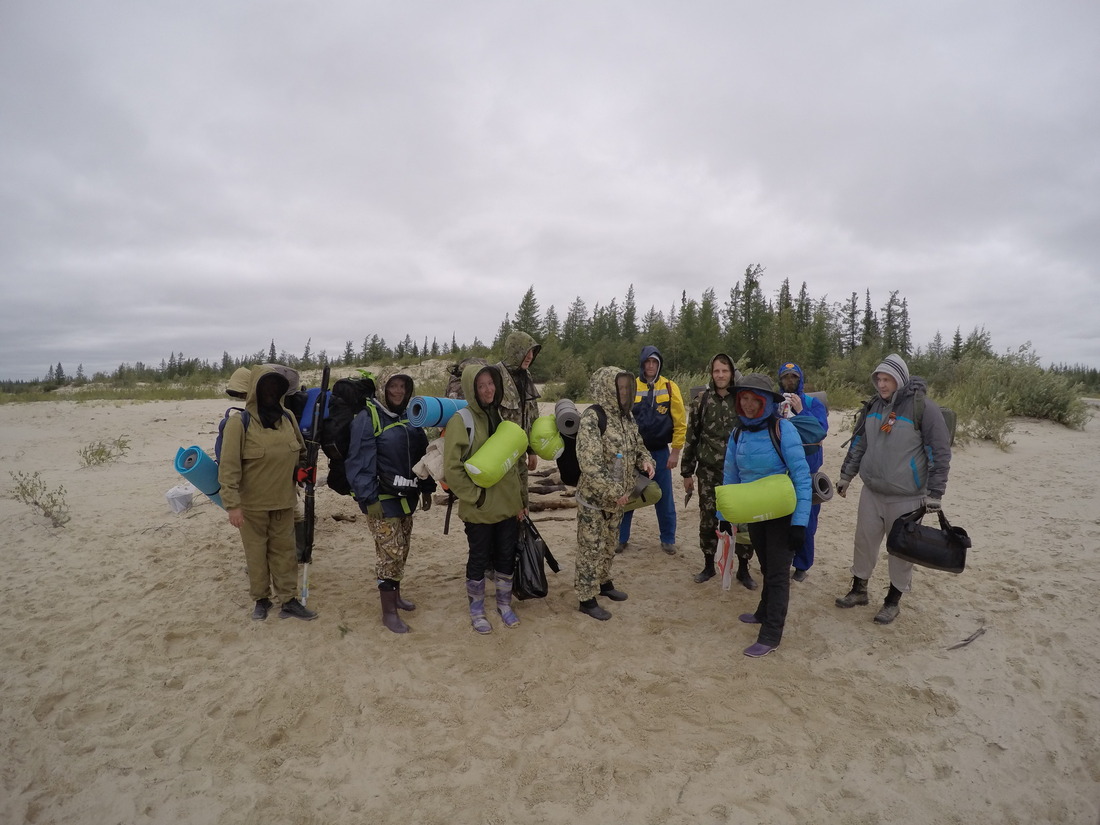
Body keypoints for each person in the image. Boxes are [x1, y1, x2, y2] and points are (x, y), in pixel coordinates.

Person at [834, 354, 952, 624]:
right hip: (872, 492)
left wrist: (936, 494)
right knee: (863, 543)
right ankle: (859, 590)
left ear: (900, 379)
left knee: (901, 551)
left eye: (887, 379)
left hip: (907, 497)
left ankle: (892, 601)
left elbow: (940, 453)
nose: (882, 384)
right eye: (879, 379)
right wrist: (846, 476)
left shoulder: (924, 409)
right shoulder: (873, 406)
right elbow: (858, 444)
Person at [719, 373, 812, 657]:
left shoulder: (783, 429)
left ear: (765, 401)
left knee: (778, 574)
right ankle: (763, 611)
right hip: (755, 511)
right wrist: (724, 515)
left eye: (753, 399)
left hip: (783, 513)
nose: (747, 405)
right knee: (767, 565)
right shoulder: (738, 433)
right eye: (743, 399)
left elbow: (802, 477)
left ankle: (771, 634)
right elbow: (730, 475)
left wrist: (800, 523)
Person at [217, 364, 317, 621]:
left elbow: (302, 453)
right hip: (252, 507)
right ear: (255, 390)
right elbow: (228, 469)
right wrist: (232, 506)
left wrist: (303, 471)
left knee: (285, 553)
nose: (271, 392)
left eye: (276, 387)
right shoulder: (238, 423)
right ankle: (261, 599)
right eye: (266, 387)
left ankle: (289, 600)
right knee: (256, 554)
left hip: (284, 502)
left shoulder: (287, 418)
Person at [345, 371, 436, 634]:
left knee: (402, 548)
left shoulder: (410, 417)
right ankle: (389, 613)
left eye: (403, 386)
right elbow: (358, 461)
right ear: (383, 388)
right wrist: (368, 498)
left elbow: (423, 455)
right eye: (393, 386)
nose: (398, 391)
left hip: (407, 496)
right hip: (381, 499)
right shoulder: (368, 417)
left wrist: (427, 488)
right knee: (389, 554)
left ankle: (396, 597)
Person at [443, 364, 528, 635]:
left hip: (507, 505)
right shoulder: (462, 420)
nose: (488, 390)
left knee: (505, 556)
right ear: (472, 389)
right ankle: (477, 608)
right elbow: (452, 468)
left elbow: (516, 463)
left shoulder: (503, 420)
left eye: (491, 384)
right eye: (481, 385)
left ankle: (504, 603)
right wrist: (476, 496)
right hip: (479, 508)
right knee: (479, 558)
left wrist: (521, 501)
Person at [575, 366, 655, 620]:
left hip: (619, 498)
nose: (623, 392)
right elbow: (589, 463)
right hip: (595, 500)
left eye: (625, 388)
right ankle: (586, 597)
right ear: (606, 388)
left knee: (610, 542)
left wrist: (646, 460)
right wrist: (611, 491)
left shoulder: (626, 416)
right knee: (591, 547)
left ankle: (604, 582)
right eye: (618, 388)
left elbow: (638, 445)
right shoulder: (592, 417)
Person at [681, 353, 758, 588]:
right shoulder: (701, 401)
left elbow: (755, 434)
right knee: (708, 520)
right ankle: (708, 565)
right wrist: (687, 472)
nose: (721, 375)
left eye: (725, 371)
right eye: (716, 371)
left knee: (744, 521)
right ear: (711, 374)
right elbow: (691, 437)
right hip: (709, 473)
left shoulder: (743, 400)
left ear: (732, 372)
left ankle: (743, 569)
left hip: (741, 473)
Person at [618, 345, 686, 555]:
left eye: (654, 362)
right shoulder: (631, 386)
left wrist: (675, 452)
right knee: (628, 495)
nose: (650, 366)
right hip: (633, 453)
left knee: (664, 498)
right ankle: (620, 539)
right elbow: (621, 418)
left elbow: (680, 422)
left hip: (660, 452)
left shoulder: (669, 387)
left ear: (659, 364)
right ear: (642, 363)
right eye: (647, 361)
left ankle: (667, 539)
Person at [777, 362, 830, 581]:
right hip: (781, 469)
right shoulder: (775, 403)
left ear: (801, 379)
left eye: (794, 377)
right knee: (781, 519)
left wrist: (801, 411)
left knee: (807, 520)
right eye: (786, 377)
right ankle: (782, 560)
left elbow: (820, 431)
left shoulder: (812, 402)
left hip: (808, 468)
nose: (790, 381)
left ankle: (802, 565)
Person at [495, 330, 542, 476]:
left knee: (522, 497)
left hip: (520, 452)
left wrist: (531, 450)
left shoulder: (525, 374)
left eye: (532, 352)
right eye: (526, 351)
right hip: (499, 454)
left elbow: (532, 413)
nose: (530, 356)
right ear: (515, 351)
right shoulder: (495, 374)